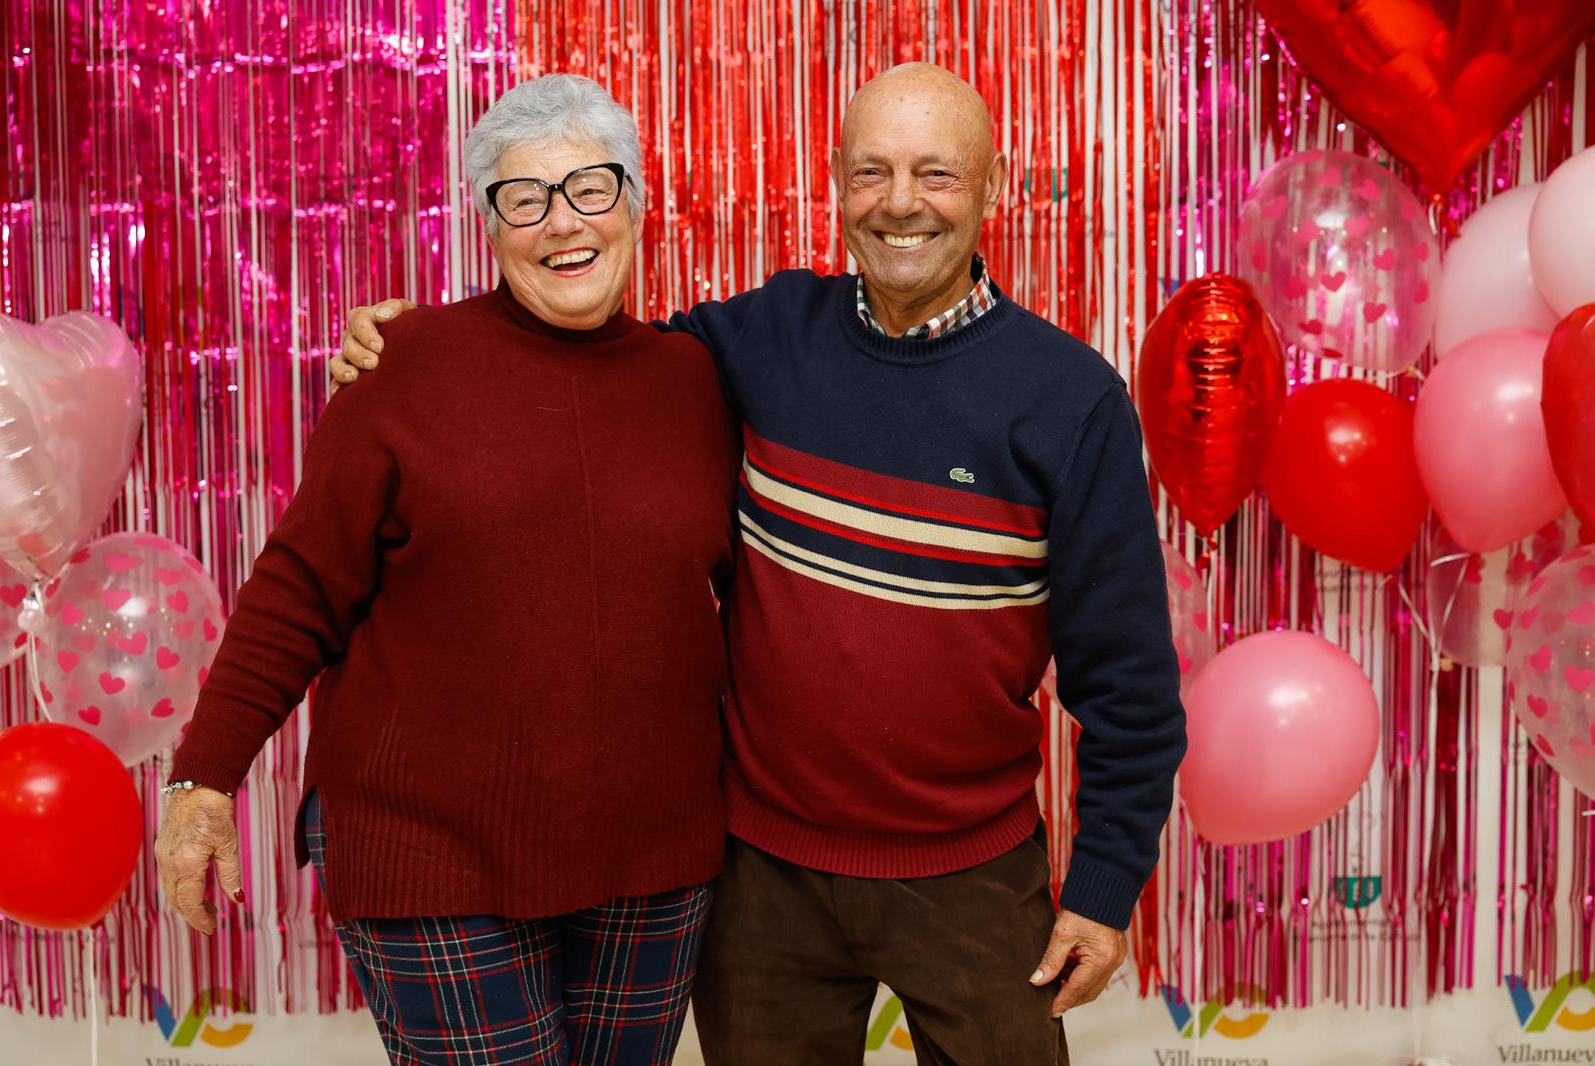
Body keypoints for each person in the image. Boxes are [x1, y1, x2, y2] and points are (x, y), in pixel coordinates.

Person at [333, 62, 1186, 1065]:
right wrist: (426, 344)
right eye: (872, 172)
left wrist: (1103, 884)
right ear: (835, 182)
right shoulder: (767, 336)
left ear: (993, 186)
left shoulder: (1070, 399)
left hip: (971, 868)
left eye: (936, 174)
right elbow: (594, 360)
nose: (901, 203)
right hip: (762, 872)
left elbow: (1126, 681)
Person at [154, 75, 740, 1066]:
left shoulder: (698, 380)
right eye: (525, 198)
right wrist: (203, 783)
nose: (563, 222)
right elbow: (299, 585)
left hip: (654, 861)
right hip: (432, 857)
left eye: (591, 187)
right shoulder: (404, 363)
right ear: (490, 225)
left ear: (637, 200)